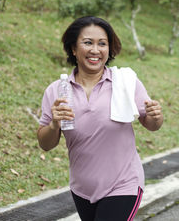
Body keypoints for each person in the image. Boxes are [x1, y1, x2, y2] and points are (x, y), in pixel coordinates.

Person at [37, 16, 163, 221]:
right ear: (73, 49)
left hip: (123, 184)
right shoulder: (57, 91)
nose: (95, 50)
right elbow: (45, 144)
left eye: (102, 44)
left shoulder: (125, 82)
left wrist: (156, 116)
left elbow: (152, 124)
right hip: (82, 189)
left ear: (110, 49)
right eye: (88, 43)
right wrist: (54, 124)